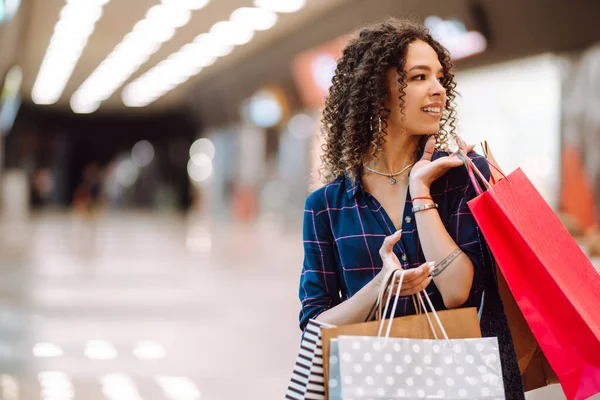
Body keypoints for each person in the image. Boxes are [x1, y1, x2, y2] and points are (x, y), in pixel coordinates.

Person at [298, 18, 524, 397]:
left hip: (462, 382)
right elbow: (315, 326)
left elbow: (457, 292)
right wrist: (380, 289)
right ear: (376, 91)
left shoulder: (461, 176)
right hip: (373, 384)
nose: (438, 89)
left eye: (440, 77)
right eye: (419, 77)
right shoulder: (325, 206)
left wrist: (421, 192)